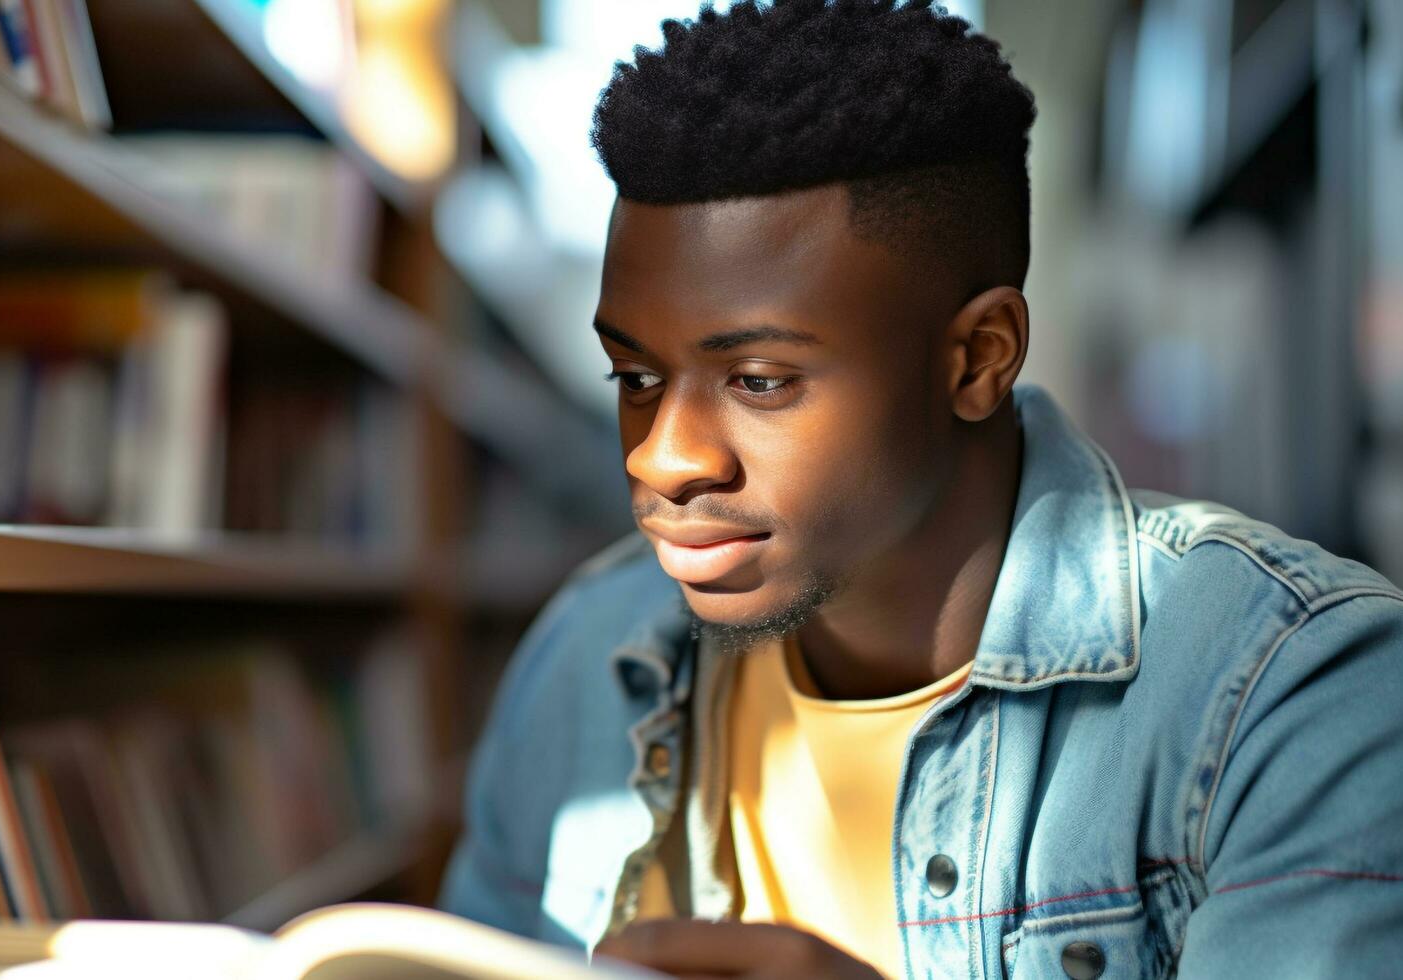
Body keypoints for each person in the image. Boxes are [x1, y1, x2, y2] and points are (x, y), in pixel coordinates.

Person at [437, 0, 1403, 976]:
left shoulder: (1294, 694)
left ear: (977, 358)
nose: (661, 456)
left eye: (758, 380)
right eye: (636, 378)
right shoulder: (582, 659)